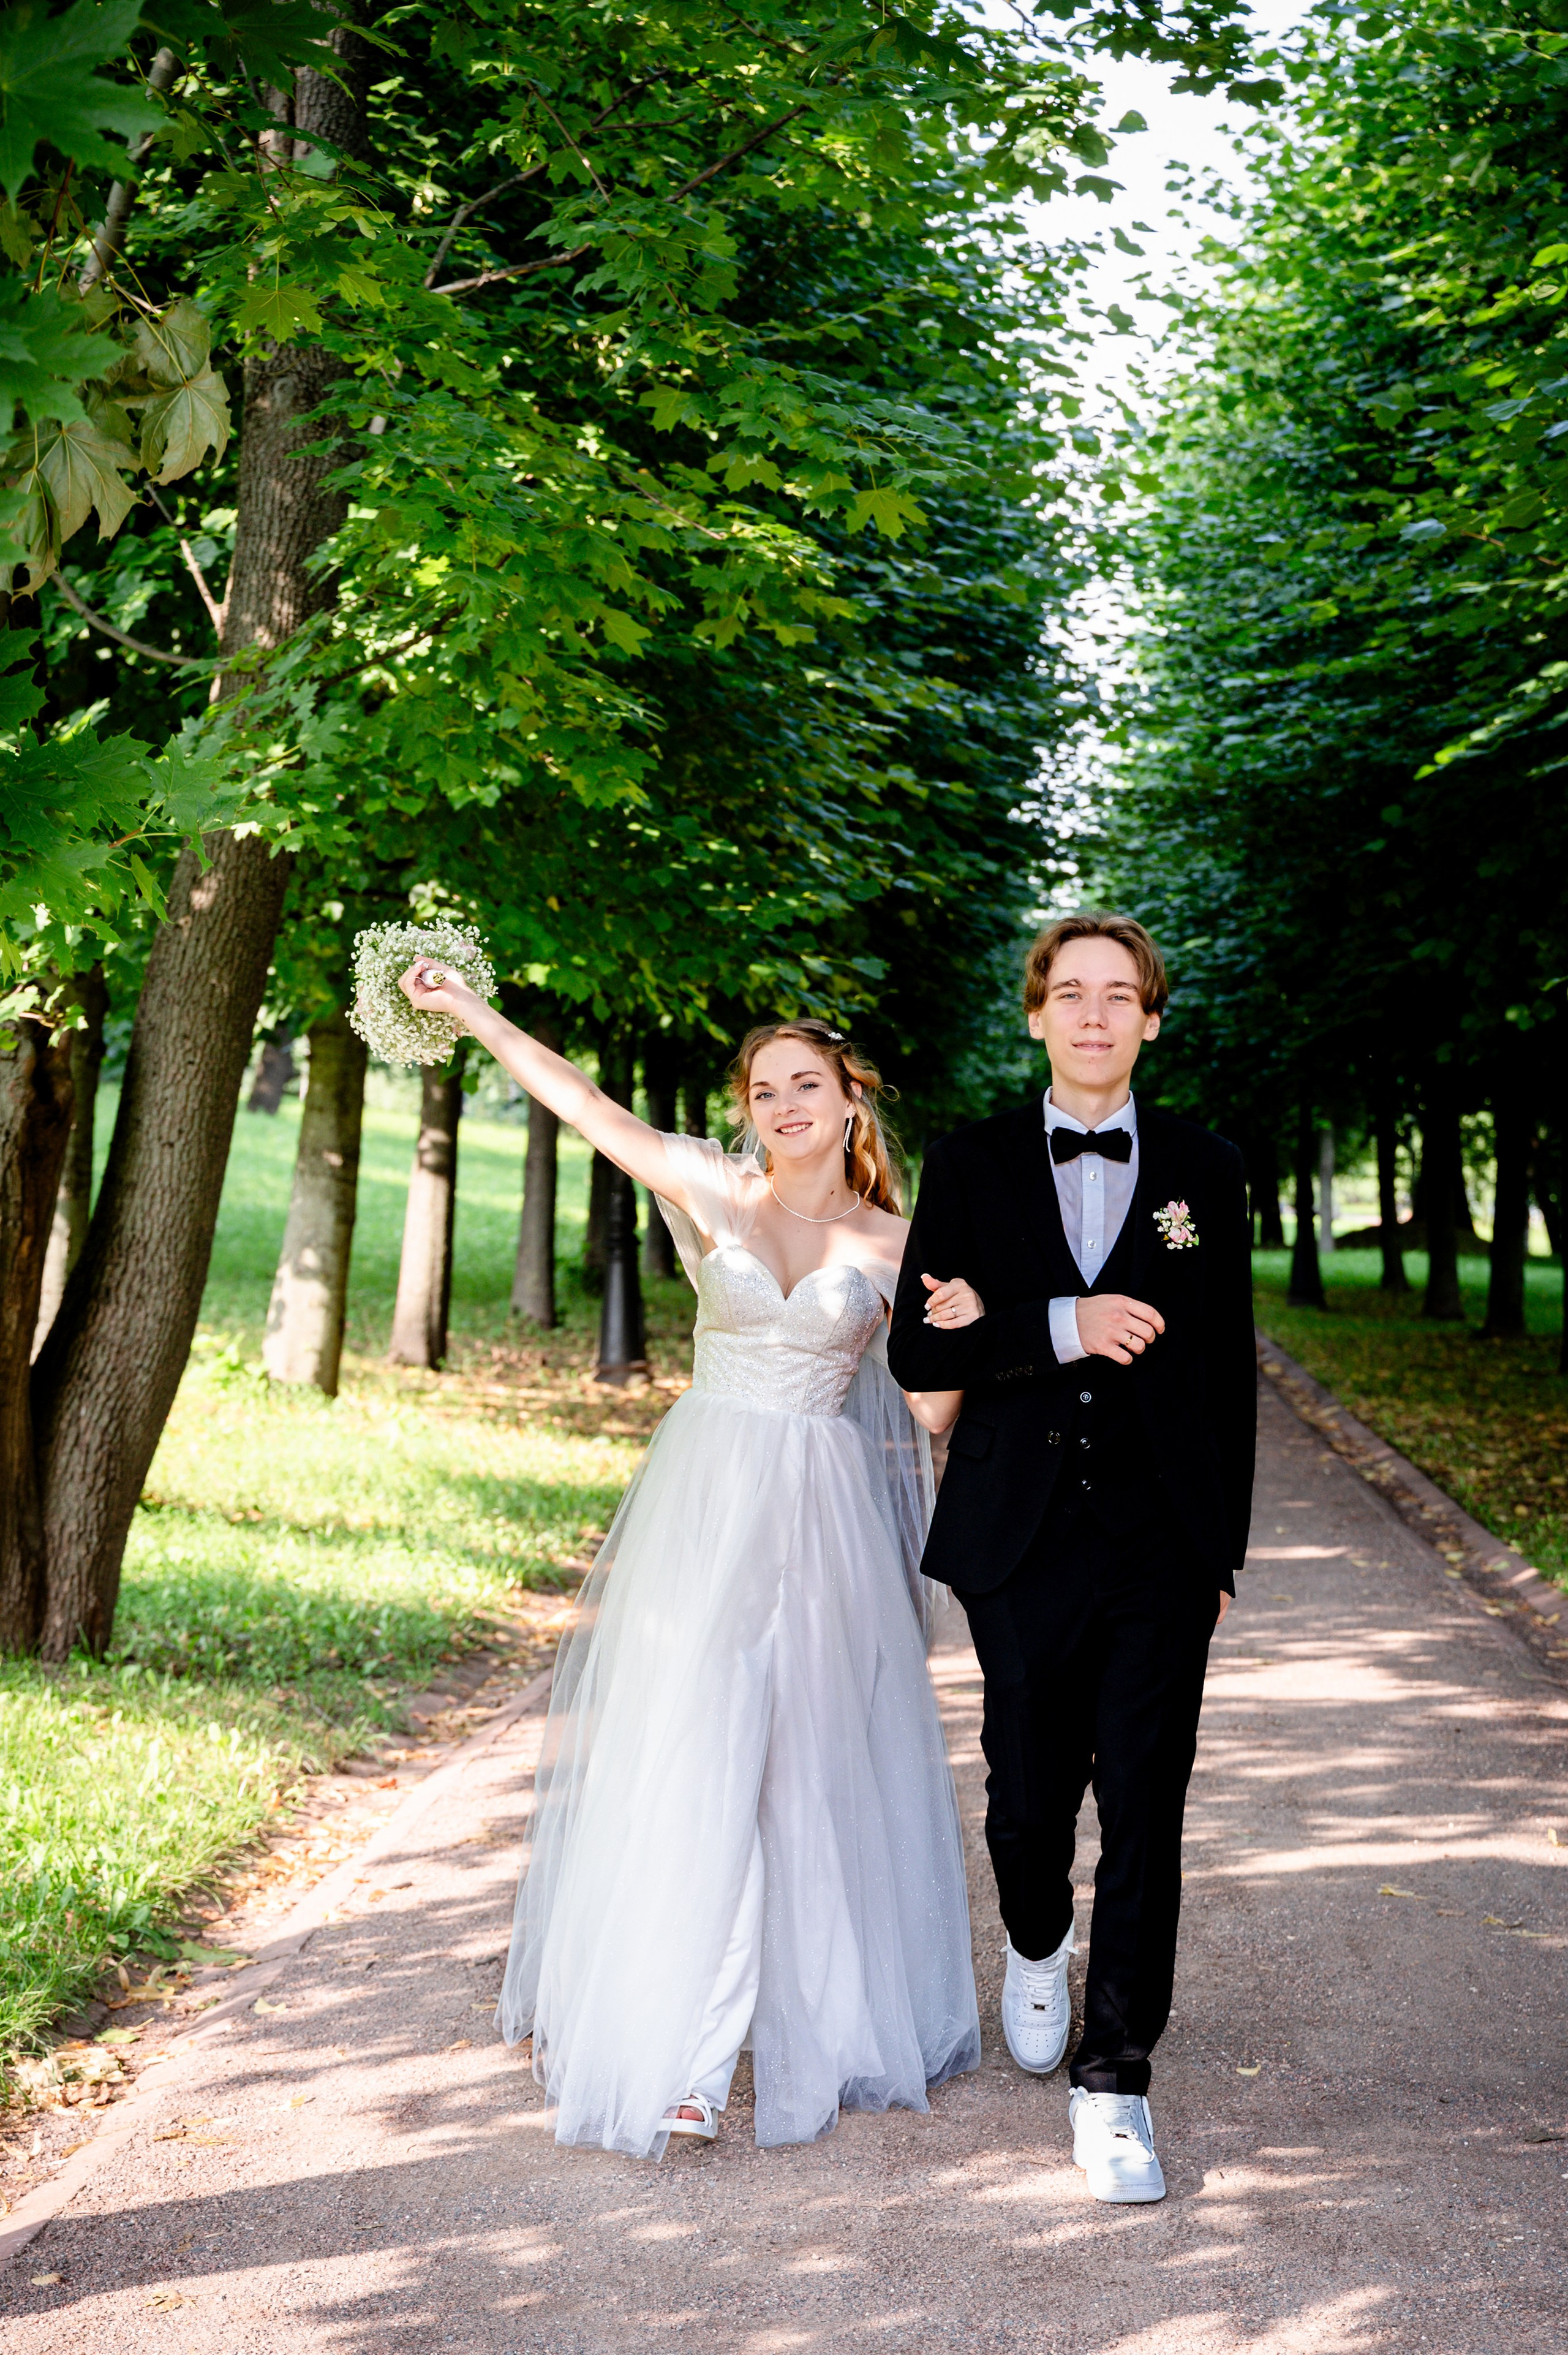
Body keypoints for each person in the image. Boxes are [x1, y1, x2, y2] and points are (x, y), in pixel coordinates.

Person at [396, 961, 983, 2158]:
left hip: (818, 1524)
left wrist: (963, 1329)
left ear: (849, 1101)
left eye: (803, 1083)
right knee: (700, 1754)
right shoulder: (714, 1191)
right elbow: (586, 1108)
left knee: (801, 1772)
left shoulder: (894, 1241)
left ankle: (824, 2027)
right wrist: (468, 1008)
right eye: (762, 1088)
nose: (781, 1105)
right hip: (704, 1504)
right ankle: (692, 2062)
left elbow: (929, 1415)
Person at [888, 913, 1256, 2205]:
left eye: (1120, 996)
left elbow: (1224, 1375)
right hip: (1019, 1533)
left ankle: (1115, 2081)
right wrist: (1054, 1321)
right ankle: (1032, 1939)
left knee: (1145, 1803)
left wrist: (1222, 1546)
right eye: (1070, 993)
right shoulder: (970, 1162)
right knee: (1029, 1791)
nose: (1094, 1015)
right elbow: (918, 1357)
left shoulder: (1206, 1170)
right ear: (1036, 1013)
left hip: (1160, 1539)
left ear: (1150, 1019)